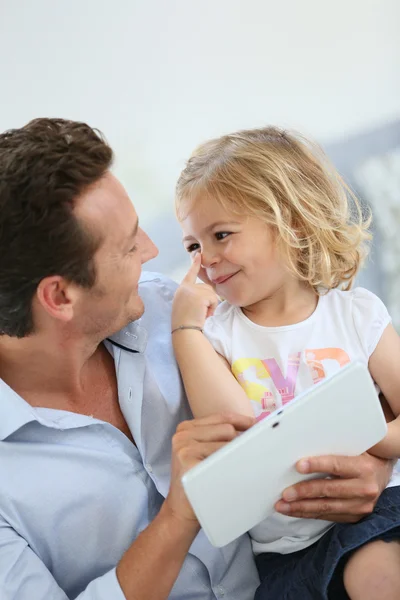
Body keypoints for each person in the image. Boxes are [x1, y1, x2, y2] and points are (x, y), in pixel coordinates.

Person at [0, 119, 393, 600]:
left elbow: (355, 389)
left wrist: (368, 469)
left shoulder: (183, 308)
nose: (152, 251)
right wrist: (179, 516)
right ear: (59, 296)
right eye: (128, 246)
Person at [172, 126, 400, 599]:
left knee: (373, 572)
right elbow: (232, 430)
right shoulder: (217, 335)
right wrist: (185, 329)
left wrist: (362, 440)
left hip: (376, 514)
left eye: (221, 235)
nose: (207, 259)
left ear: (293, 222)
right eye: (193, 246)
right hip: (282, 553)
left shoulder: (356, 315)